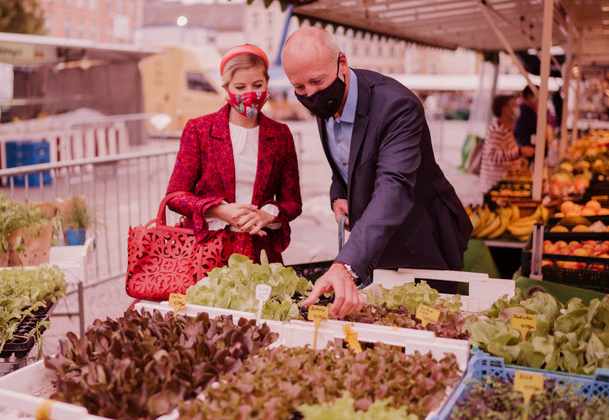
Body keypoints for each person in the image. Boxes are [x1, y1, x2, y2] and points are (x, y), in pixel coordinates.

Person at [281, 27, 472, 316]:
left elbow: (393, 189)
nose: (311, 94)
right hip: (370, 247)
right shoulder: (325, 102)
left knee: (423, 325)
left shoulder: (397, 106)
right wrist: (339, 195)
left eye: (317, 81)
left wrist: (345, 264)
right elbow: (346, 161)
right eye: (299, 88)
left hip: (420, 239)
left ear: (341, 63)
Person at [165, 44, 302, 263]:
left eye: (257, 85)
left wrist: (268, 215)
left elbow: (293, 202)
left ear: (267, 84)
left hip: (262, 252)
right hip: (208, 253)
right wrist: (220, 211)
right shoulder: (199, 130)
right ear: (226, 88)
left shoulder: (280, 135)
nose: (250, 94)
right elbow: (176, 196)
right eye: (240, 87)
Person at [479, 94, 525, 193]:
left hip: (503, 186)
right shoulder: (498, 130)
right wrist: (519, 152)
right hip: (495, 188)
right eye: (514, 105)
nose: (517, 108)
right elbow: (493, 155)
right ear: (504, 109)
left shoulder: (506, 128)